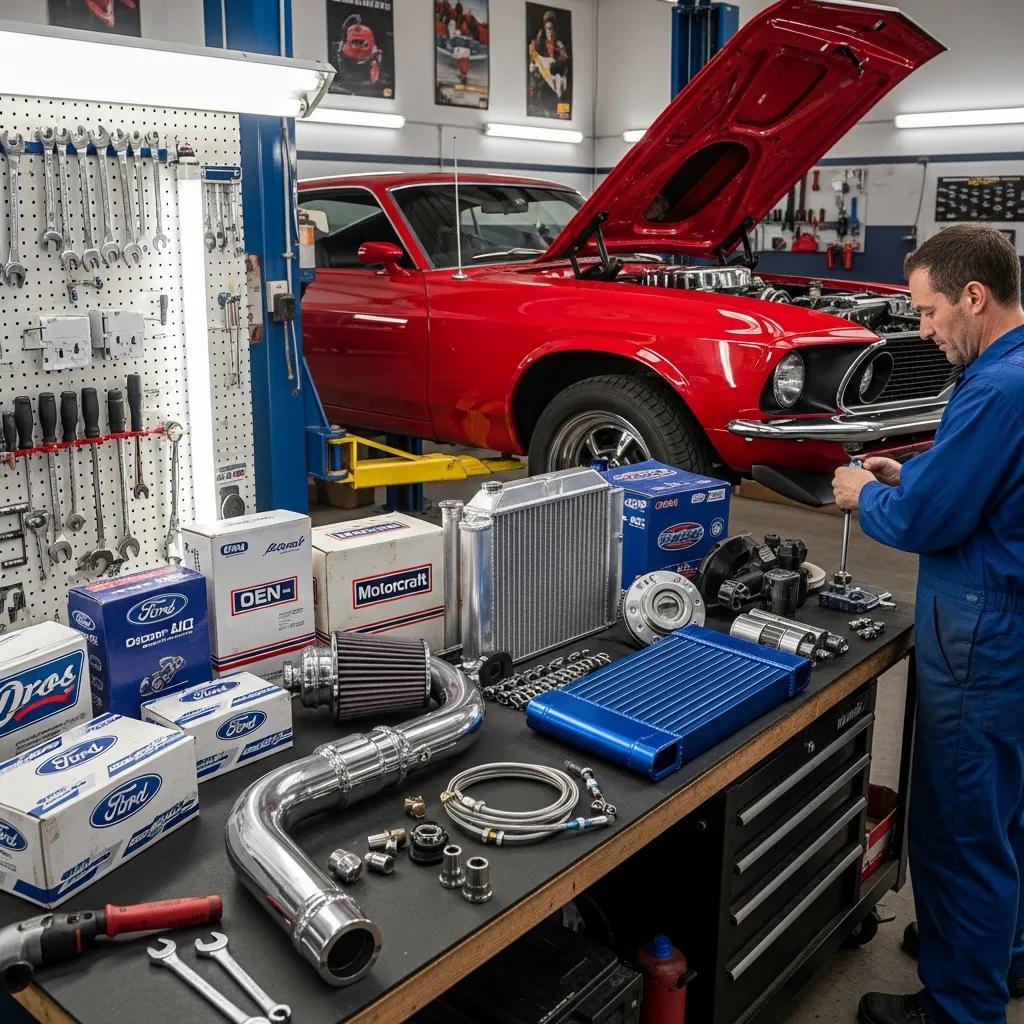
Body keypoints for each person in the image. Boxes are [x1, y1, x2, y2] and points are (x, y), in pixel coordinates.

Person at [831, 224, 1024, 1024]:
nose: (922, 328)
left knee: (956, 825)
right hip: (1011, 611)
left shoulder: (995, 388)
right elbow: (986, 487)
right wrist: (914, 474)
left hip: (984, 626)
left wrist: (867, 496)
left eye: (928, 310)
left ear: (974, 297)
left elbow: (930, 520)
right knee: (1005, 810)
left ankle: (959, 1008)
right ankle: (995, 956)